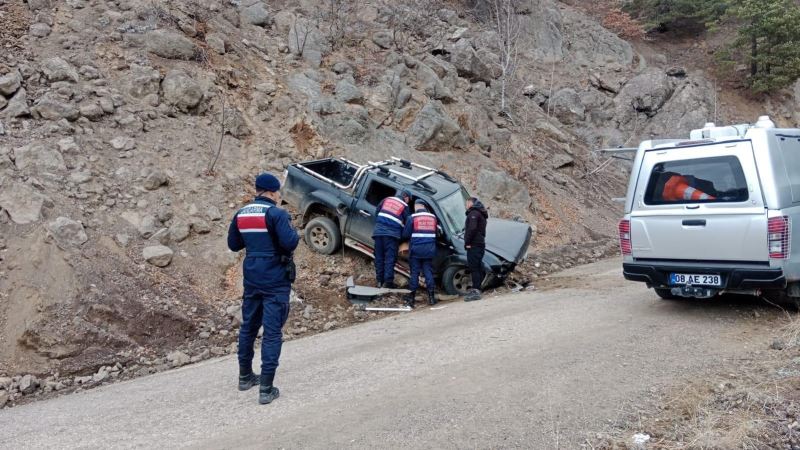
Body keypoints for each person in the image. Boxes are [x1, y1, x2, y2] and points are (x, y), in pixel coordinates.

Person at [227, 173, 300, 405]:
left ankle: (245, 377)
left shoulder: (241, 213)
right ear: (270, 192)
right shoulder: (276, 214)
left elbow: (234, 244)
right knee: (272, 332)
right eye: (278, 192)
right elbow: (290, 242)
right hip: (275, 277)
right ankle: (267, 388)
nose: (279, 196)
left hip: (251, 276)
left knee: (248, 326)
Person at [402, 200, 439, 308]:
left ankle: (411, 299)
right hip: (429, 250)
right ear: (424, 207)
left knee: (414, 273)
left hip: (416, 250)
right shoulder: (433, 217)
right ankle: (431, 298)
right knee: (428, 272)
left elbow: (405, 234)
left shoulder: (412, 217)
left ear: (416, 207)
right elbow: (436, 233)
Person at [373, 189, 411, 288]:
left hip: (378, 233)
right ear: (406, 197)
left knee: (379, 257)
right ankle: (388, 283)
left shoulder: (386, 199)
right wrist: (403, 238)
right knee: (390, 258)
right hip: (392, 235)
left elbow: (377, 213)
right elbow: (408, 225)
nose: (408, 202)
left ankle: (379, 281)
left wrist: (381, 225)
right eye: (409, 200)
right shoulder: (404, 206)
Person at [464, 196, 488, 302]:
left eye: (466, 203)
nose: (466, 206)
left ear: (470, 203)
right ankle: (477, 287)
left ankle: (476, 290)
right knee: (477, 266)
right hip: (479, 243)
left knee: (474, 267)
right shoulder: (480, 213)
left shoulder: (474, 213)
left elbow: (472, 229)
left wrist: (467, 242)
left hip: (474, 244)